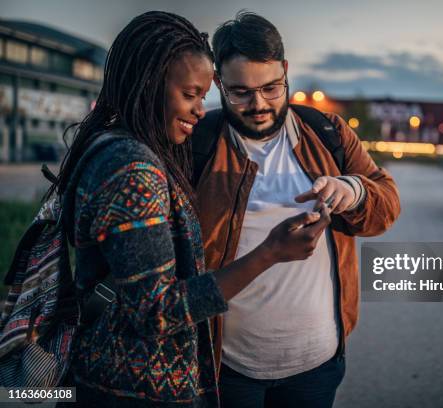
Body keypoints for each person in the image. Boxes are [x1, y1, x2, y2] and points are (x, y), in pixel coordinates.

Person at [52, 11, 330, 408]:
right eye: (189, 94)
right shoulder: (133, 168)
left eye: (203, 97)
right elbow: (157, 314)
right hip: (130, 392)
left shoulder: (119, 145)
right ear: (149, 86)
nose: (201, 111)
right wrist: (271, 253)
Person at [192, 11, 401, 408]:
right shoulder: (196, 147)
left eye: (272, 88)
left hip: (318, 365)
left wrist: (351, 190)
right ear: (218, 82)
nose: (259, 104)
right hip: (227, 369)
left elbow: (387, 202)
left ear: (286, 71)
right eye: (240, 92)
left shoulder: (329, 133)